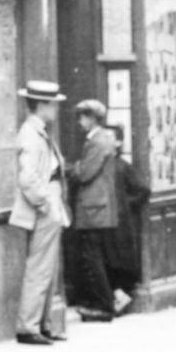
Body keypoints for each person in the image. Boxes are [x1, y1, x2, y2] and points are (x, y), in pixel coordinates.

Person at [5, 81, 68, 345]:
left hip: (50, 200)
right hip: (44, 203)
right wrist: (45, 204)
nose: (55, 109)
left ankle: (41, 324)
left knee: (48, 267)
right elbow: (28, 178)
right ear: (42, 105)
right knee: (40, 267)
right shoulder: (31, 134)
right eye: (53, 104)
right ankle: (29, 326)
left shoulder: (38, 131)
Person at [63, 98, 122, 322]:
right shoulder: (102, 138)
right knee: (94, 256)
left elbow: (85, 173)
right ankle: (101, 303)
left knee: (92, 257)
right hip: (97, 207)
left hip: (93, 208)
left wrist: (70, 167)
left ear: (92, 118)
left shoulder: (97, 141)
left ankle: (104, 306)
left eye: (82, 117)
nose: (79, 121)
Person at [103, 124, 153, 312]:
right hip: (106, 220)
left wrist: (124, 204)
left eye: (109, 138)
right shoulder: (102, 164)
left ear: (118, 143)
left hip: (120, 224)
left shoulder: (122, 167)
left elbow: (143, 190)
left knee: (116, 259)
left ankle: (119, 296)